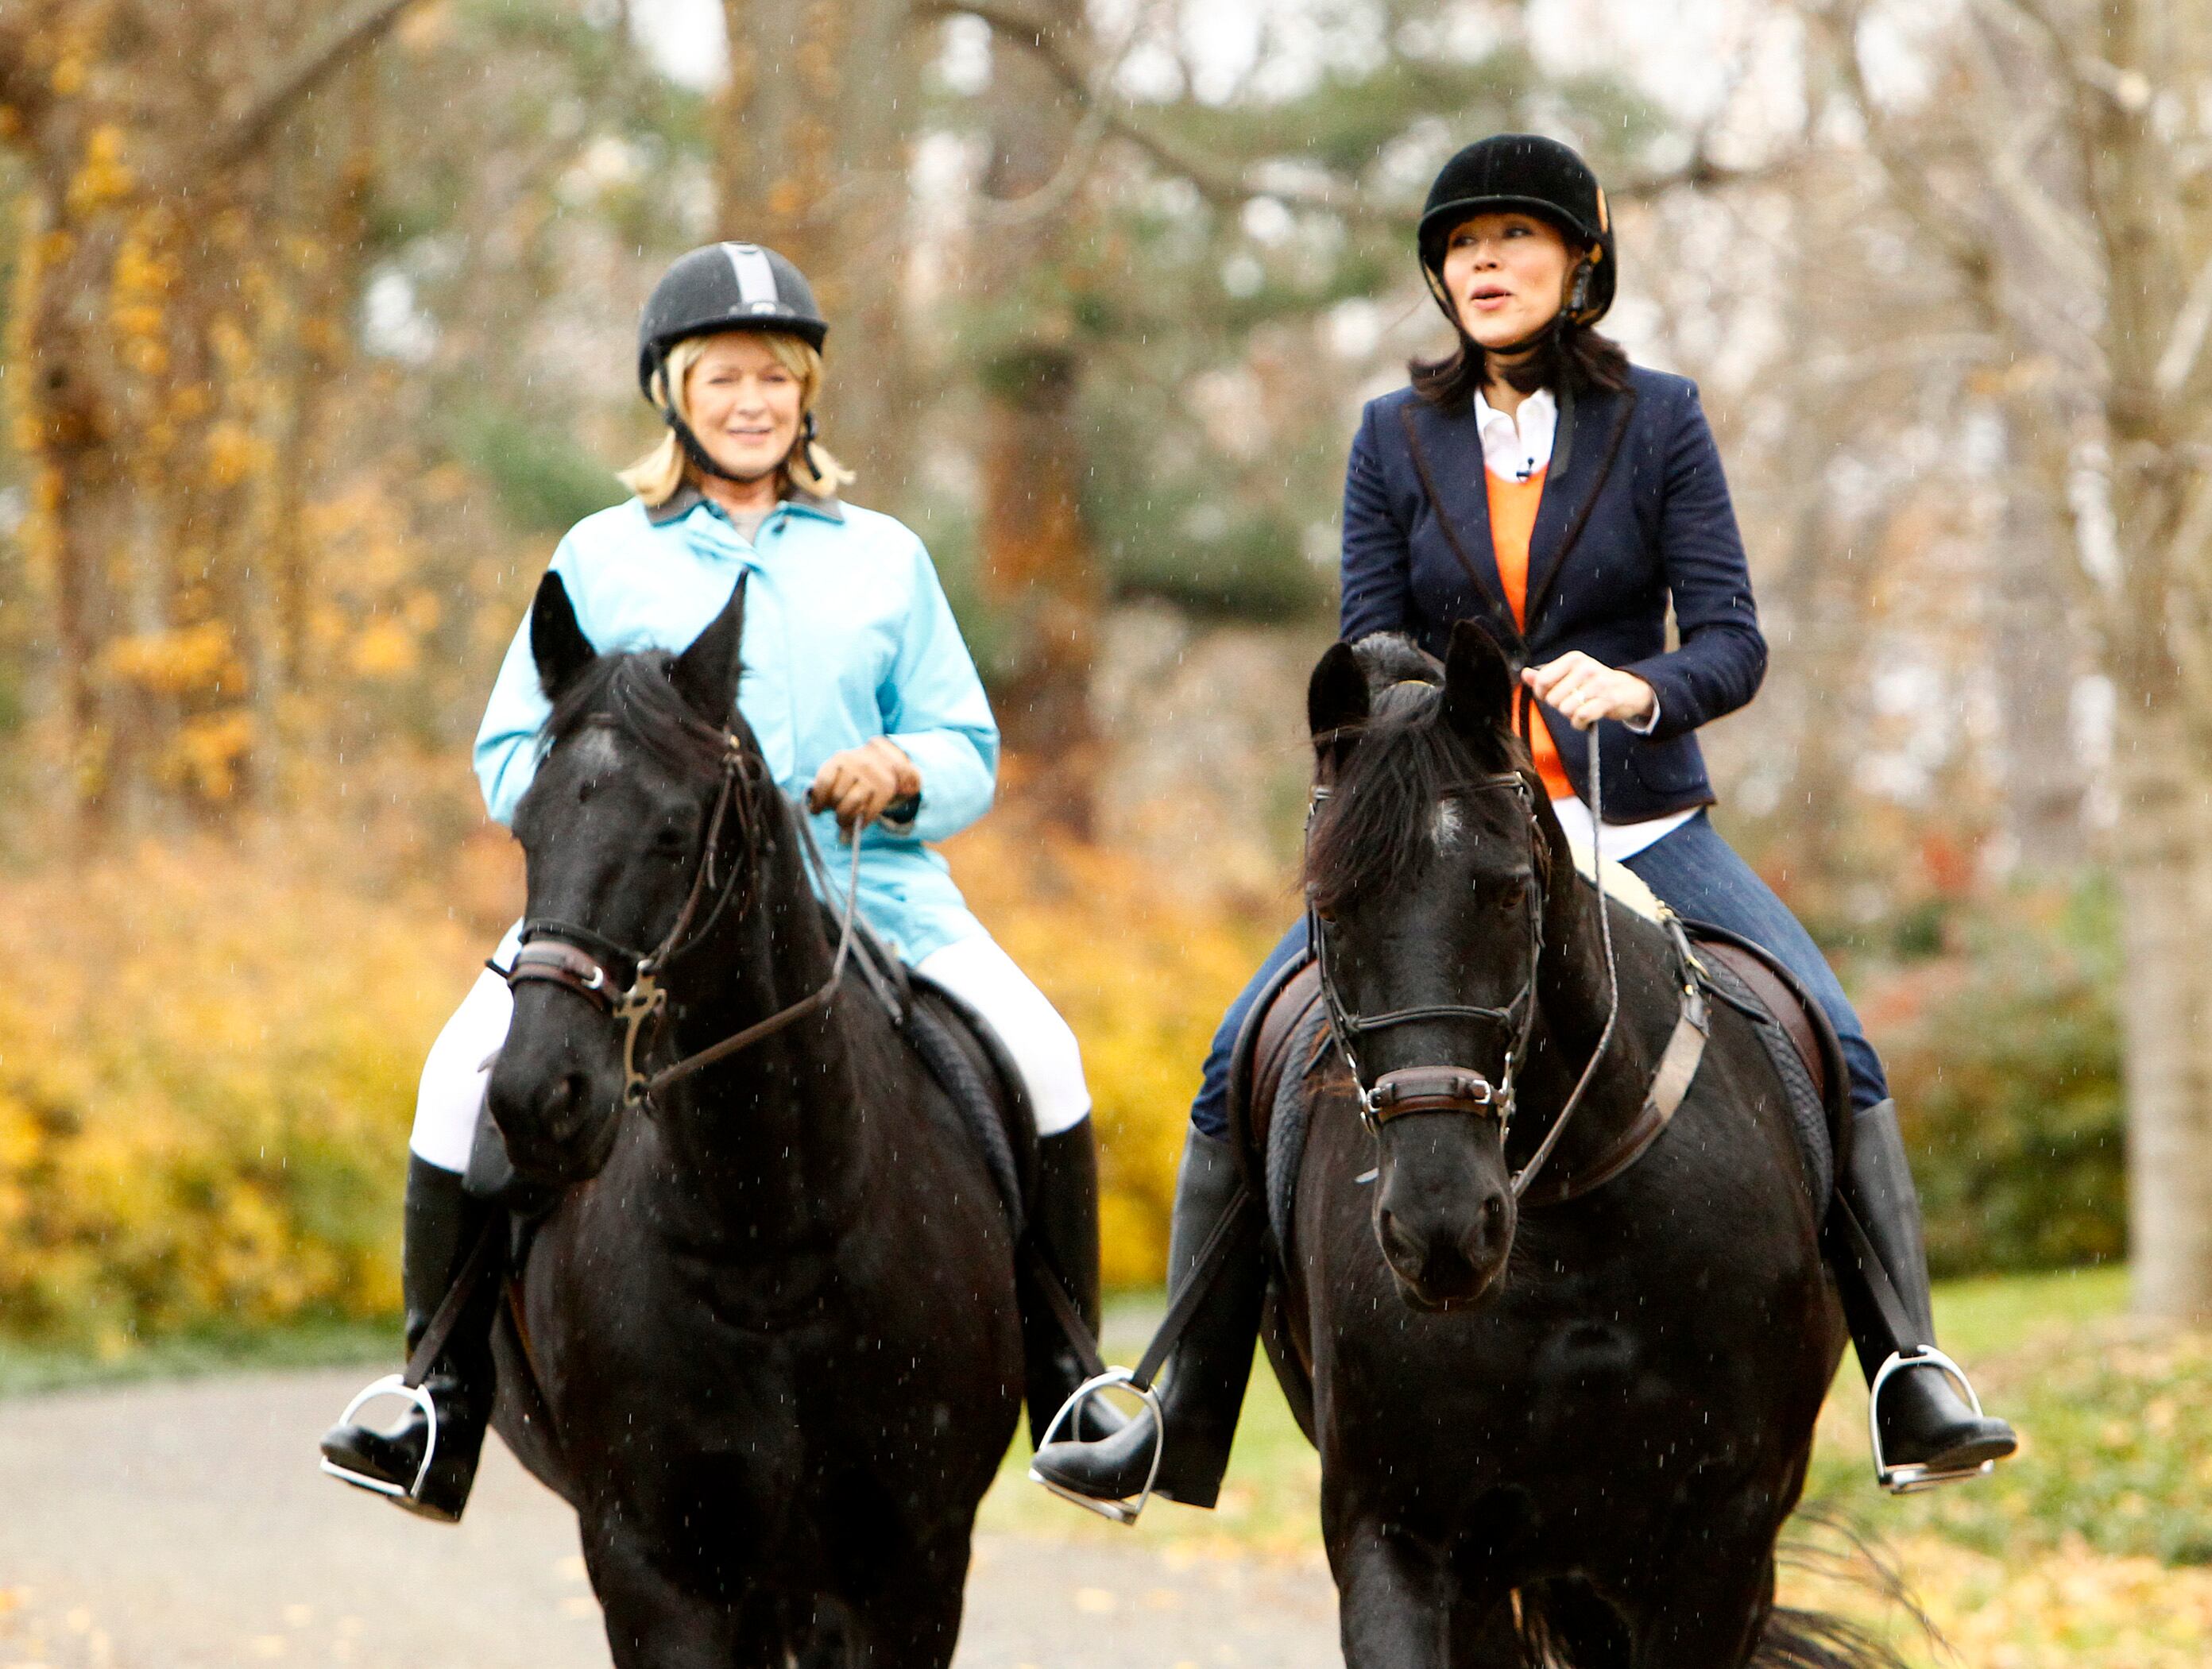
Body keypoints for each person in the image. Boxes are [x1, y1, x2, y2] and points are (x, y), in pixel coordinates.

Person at [1031, 135, 2017, 1514]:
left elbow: (1733, 643)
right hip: (1451, 834)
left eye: (1516, 239)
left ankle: (1910, 1368)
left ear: (1580, 265)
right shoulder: (1392, 435)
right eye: (1463, 245)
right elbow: (1369, 645)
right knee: (1234, 1054)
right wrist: (1450, 711)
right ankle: (1175, 1398)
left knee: (1829, 1032)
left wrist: (1642, 686)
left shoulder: (1661, 420)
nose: (1484, 264)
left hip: (1638, 819)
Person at [321, 241, 1109, 1520]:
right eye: (724, 377)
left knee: (1049, 1054)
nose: (753, 401)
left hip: (875, 902)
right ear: (674, 393)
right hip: (632, 922)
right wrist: (612, 806)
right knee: (455, 1074)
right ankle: (436, 1398)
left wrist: (899, 767)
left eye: (777, 378)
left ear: (809, 397)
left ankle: (1076, 1382)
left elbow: (969, 745)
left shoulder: (885, 559)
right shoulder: (599, 554)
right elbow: (509, 747)